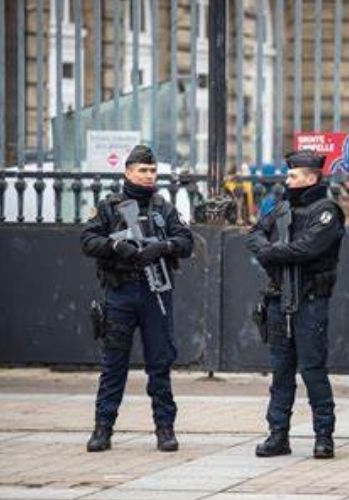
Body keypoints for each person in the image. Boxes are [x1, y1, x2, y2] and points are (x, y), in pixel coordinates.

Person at [80, 144, 193, 453]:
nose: (148, 176)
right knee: (113, 363)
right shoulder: (108, 206)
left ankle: (165, 429)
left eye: (152, 171)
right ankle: (103, 428)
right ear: (128, 172)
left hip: (156, 292)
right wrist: (117, 248)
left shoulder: (163, 207)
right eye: (142, 170)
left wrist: (164, 247)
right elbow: (88, 240)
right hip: (121, 292)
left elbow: (186, 241)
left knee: (160, 363)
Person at [245, 149, 346, 459]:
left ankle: (324, 435)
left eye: (293, 175)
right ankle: (278, 435)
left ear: (311, 177)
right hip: (278, 299)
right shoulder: (280, 207)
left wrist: (272, 251)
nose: (287, 180)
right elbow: (254, 235)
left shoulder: (327, 211)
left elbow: (308, 248)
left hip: (310, 300)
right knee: (281, 371)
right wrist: (269, 249)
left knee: (313, 369)